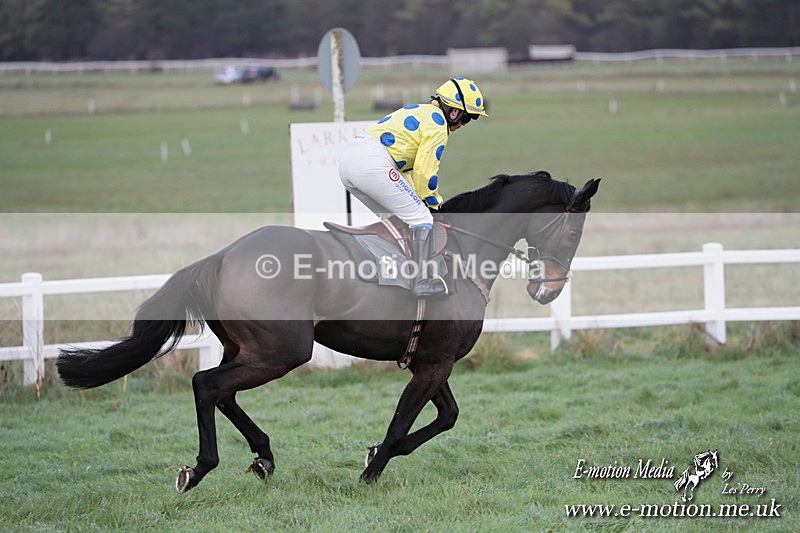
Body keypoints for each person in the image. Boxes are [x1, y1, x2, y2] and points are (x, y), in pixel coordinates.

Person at [338, 77, 487, 298]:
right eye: (467, 118)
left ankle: (395, 276)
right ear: (454, 112)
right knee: (421, 219)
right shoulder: (438, 125)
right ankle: (421, 281)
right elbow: (425, 172)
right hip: (372, 163)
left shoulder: (424, 112)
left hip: (351, 163)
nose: (464, 124)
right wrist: (435, 205)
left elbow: (408, 174)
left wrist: (421, 199)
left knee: (398, 222)